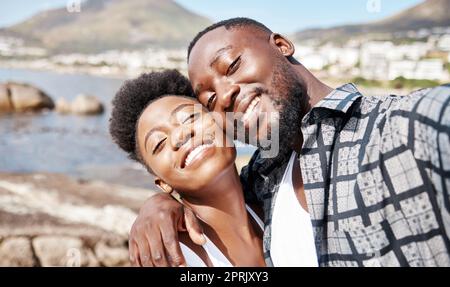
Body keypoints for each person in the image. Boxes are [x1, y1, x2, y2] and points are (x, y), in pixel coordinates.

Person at [129, 18, 450, 267]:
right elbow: (213, 193)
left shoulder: (404, 125)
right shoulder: (266, 175)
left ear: (281, 44)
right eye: (210, 97)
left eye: (232, 66)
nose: (225, 94)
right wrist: (160, 204)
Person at [109, 70, 266, 267]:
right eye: (159, 144)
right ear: (163, 184)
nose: (180, 136)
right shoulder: (175, 257)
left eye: (190, 118)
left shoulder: (271, 206)